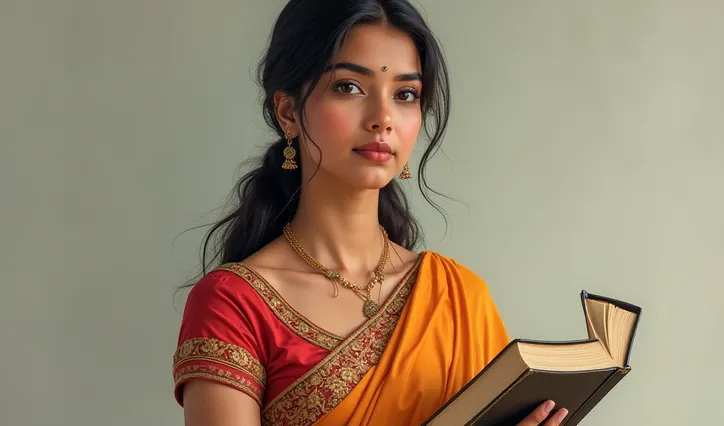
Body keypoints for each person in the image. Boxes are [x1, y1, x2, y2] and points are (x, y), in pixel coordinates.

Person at [171, 0, 568, 425]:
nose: (383, 118)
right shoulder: (233, 305)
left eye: (405, 94)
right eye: (349, 87)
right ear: (288, 112)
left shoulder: (458, 299)